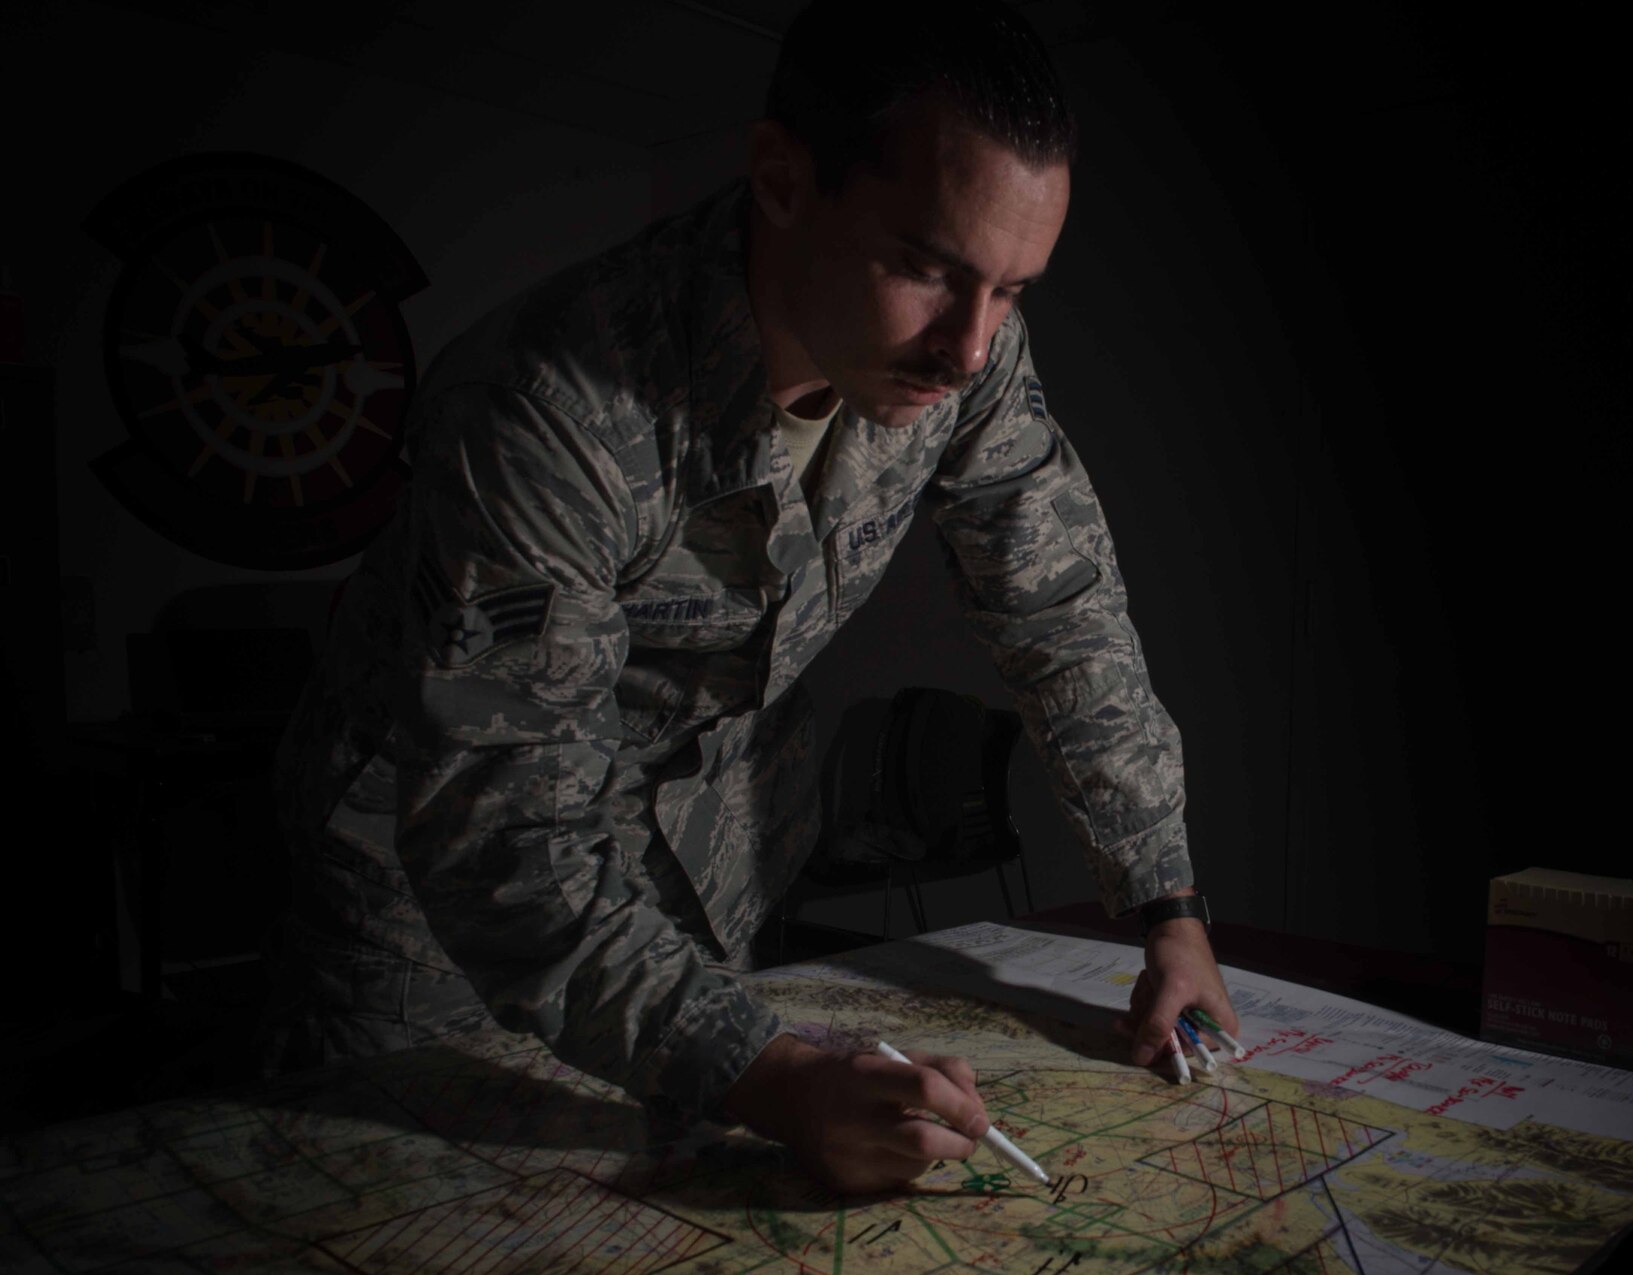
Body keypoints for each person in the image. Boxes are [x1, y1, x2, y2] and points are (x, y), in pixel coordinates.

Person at [265, 0, 1239, 1192]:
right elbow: (504, 830)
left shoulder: (968, 359)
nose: (970, 348)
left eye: (1014, 290)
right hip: (435, 912)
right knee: (423, 1244)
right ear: (780, 179)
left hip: (698, 870)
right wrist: (766, 1075)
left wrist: (1166, 907)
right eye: (927, 270)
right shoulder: (545, 409)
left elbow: (1061, 610)